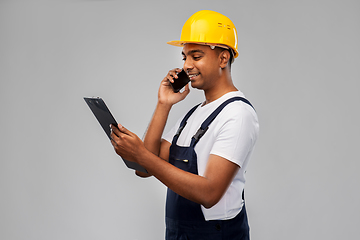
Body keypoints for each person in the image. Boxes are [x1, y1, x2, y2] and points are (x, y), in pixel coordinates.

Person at [110, 10, 259, 240]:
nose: (187, 65)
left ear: (223, 58)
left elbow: (209, 193)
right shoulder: (193, 115)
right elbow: (144, 169)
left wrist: (141, 154)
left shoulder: (237, 114)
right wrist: (163, 104)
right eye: (184, 57)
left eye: (196, 56)